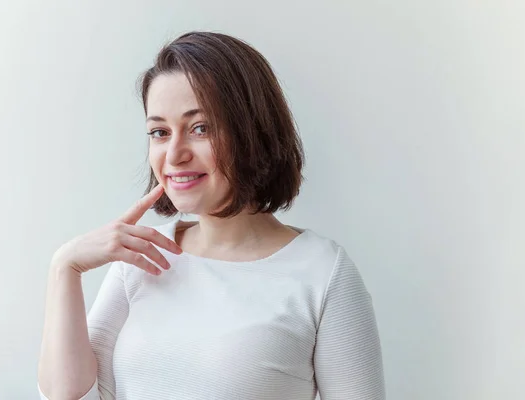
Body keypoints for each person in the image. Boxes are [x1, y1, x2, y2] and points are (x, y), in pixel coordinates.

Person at [37, 31, 385, 400]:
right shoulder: (140, 255)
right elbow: (70, 398)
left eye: (200, 128)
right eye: (159, 132)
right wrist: (65, 268)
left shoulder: (323, 273)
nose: (174, 154)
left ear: (253, 131)